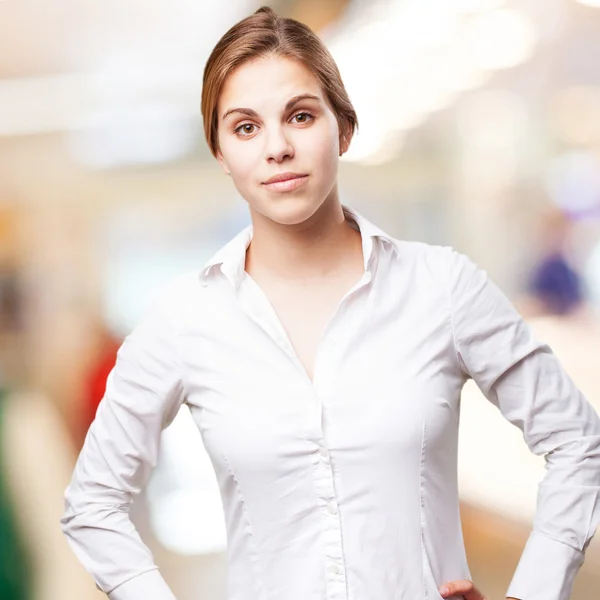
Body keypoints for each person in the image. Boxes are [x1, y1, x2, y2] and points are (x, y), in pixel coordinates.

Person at [60, 7, 600, 600]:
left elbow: (578, 444)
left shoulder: (442, 287)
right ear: (220, 152)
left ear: (342, 128)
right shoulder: (185, 320)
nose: (277, 148)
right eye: (245, 127)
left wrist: (534, 592)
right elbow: (93, 503)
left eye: (300, 116)